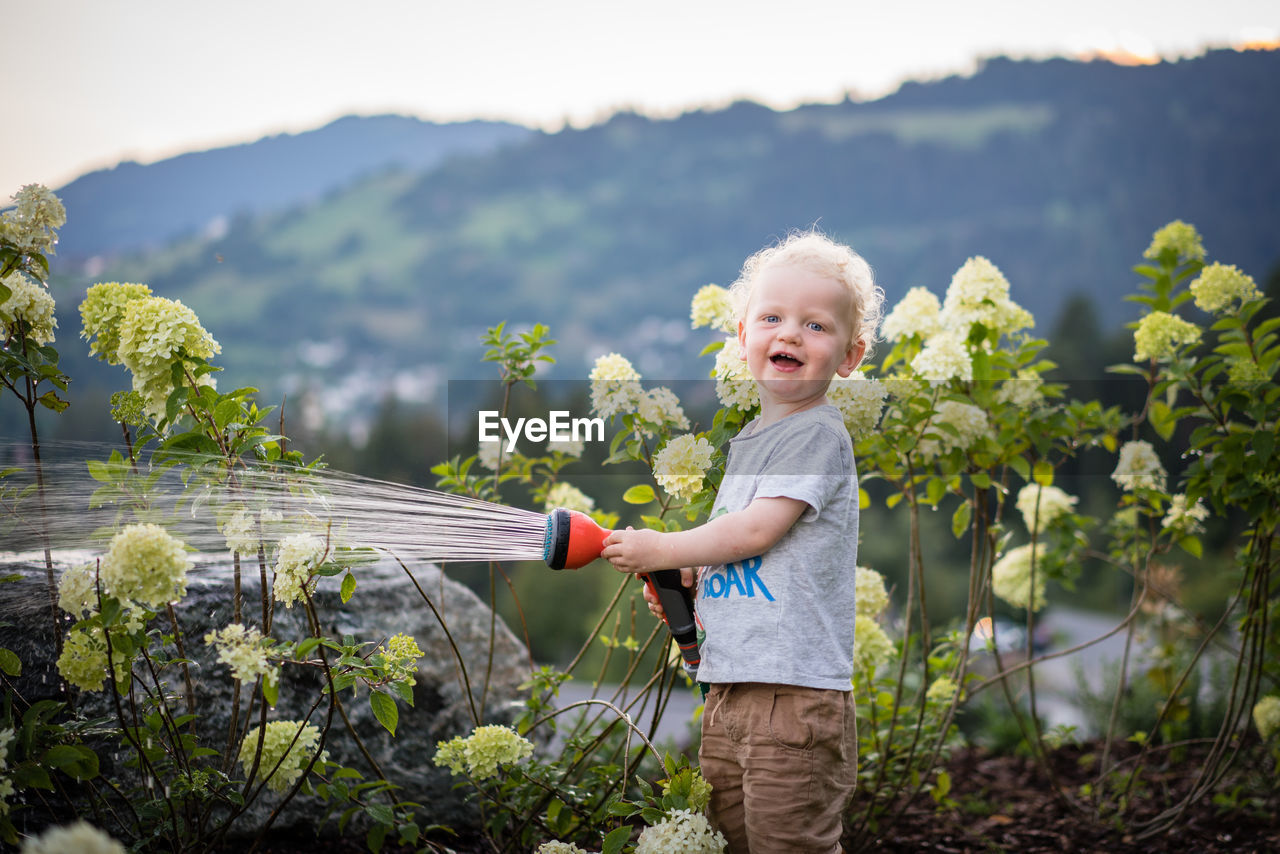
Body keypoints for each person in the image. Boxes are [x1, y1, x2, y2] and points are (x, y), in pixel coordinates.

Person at [601, 230, 882, 853]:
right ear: (742, 332)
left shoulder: (816, 434)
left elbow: (757, 530)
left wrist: (666, 549)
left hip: (793, 696)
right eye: (773, 317)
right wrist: (695, 585)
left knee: (788, 844)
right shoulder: (755, 440)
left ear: (850, 355)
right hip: (734, 688)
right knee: (737, 840)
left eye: (814, 326)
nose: (788, 334)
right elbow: (753, 553)